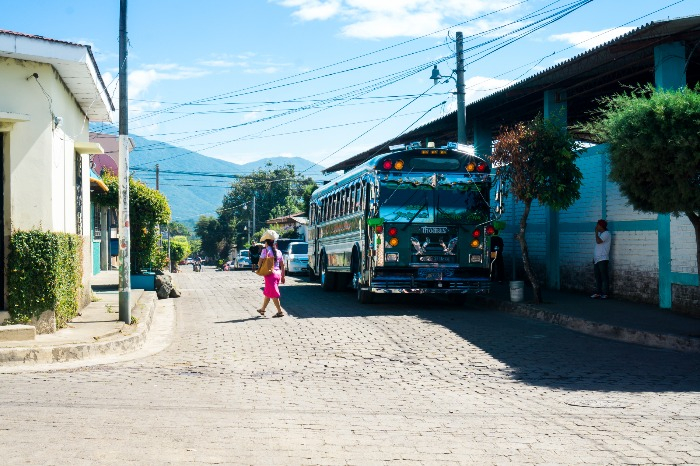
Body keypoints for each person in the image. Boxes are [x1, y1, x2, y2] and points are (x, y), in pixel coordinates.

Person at [256, 230, 286, 318]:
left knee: (273, 293)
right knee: (268, 292)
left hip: (270, 275)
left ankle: (280, 312)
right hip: (278, 274)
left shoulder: (265, 251)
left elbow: (259, 263)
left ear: (266, 243)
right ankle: (262, 309)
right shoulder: (279, 252)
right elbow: (282, 265)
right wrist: (283, 276)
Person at [591, 219, 611, 299]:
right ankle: (598, 292)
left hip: (603, 259)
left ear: (601, 226)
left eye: (597, 225)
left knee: (604, 276)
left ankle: (605, 293)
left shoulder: (606, 234)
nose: (596, 226)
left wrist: (596, 233)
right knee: (597, 276)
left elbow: (598, 241)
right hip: (597, 259)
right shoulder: (602, 234)